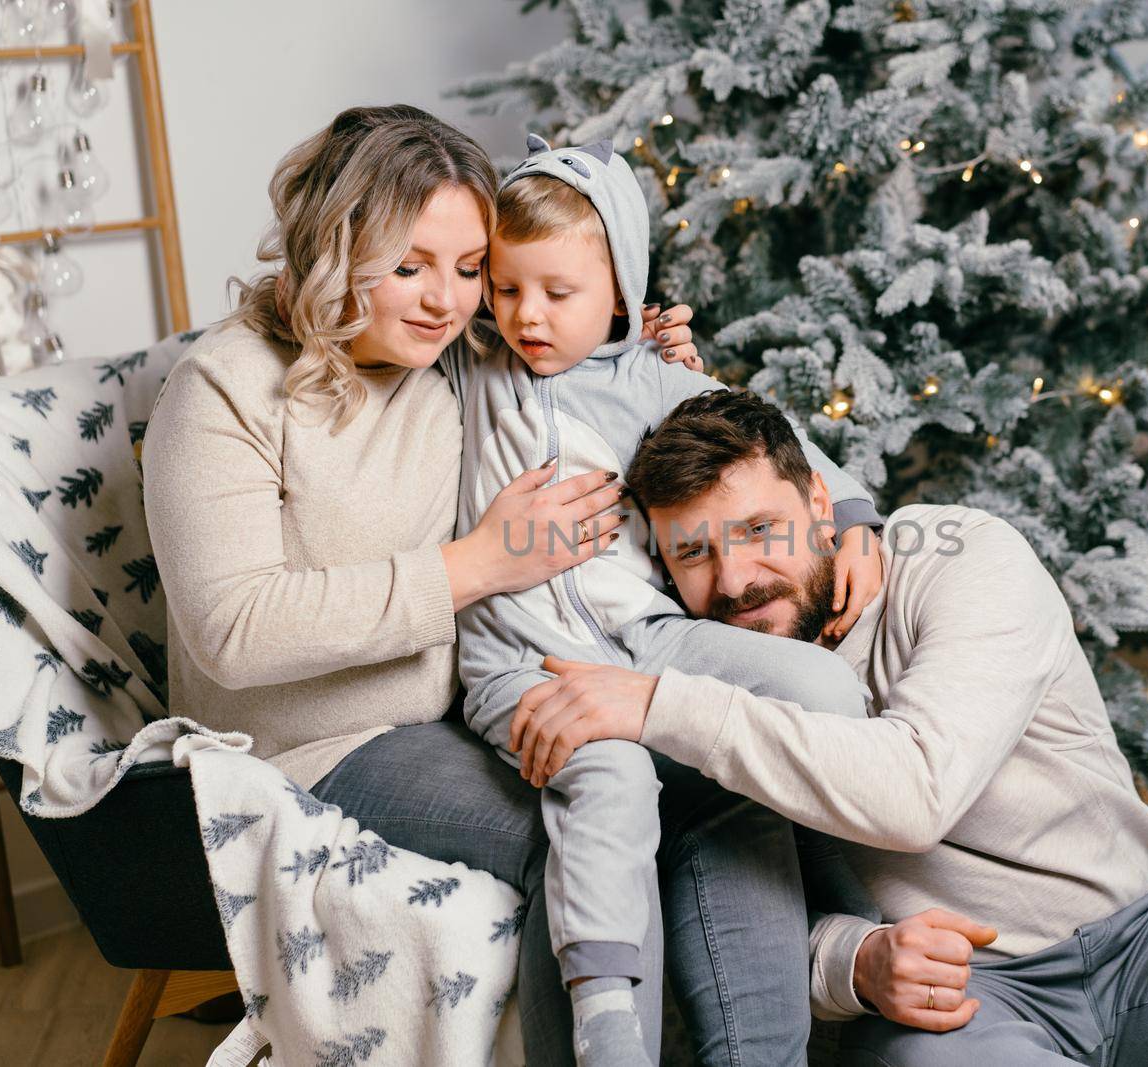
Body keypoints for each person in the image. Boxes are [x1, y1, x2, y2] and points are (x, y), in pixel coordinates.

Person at [140, 105, 803, 1066]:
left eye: (465, 270)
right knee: (575, 824)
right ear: (335, 244)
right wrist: (477, 566)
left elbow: (576, 362)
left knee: (721, 786)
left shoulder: (459, 353)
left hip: (472, 700)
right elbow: (231, 629)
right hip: (323, 740)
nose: (443, 300)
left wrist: (651, 356)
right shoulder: (223, 390)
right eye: (408, 265)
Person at [508, 388, 1148, 1066]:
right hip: (970, 1011)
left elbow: (915, 791)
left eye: (760, 530)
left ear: (821, 508)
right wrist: (854, 964)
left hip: (1144, 937)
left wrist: (657, 702)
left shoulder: (958, 559)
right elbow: (737, 907)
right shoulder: (708, 673)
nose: (737, 576)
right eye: (694, 553)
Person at [439, 133, 885, 1065]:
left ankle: (863, 928)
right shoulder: (471, 368)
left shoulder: (653, 379)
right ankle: (608, 1020)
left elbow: (776, 439)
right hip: (516, 662)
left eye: (560, 294)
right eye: (509, 288)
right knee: (610, 779)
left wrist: (851, 520)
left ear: (618, 292)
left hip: (648, 642)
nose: (529, 316)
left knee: (832, 693)